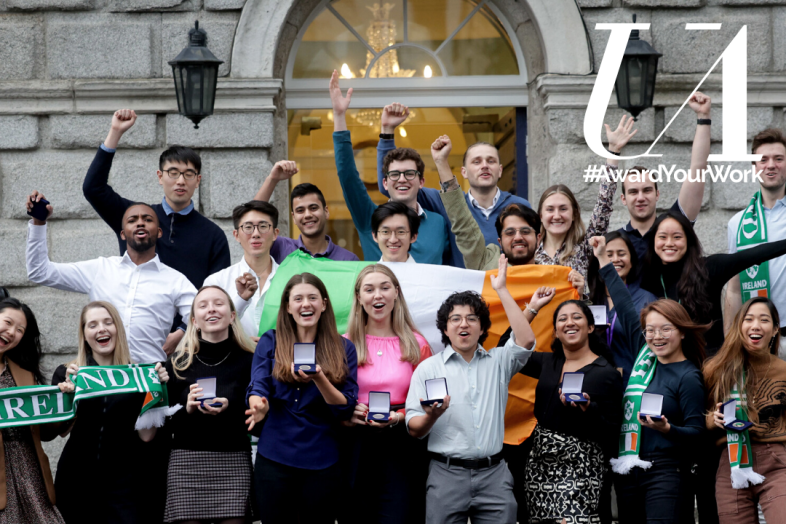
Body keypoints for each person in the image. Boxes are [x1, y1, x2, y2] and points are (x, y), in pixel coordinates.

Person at [405, 255, 537, 523]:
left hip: (494, 474)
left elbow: (525, 339)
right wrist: (432, 416)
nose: (463, 324)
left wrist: (501, 288)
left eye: (471, 318)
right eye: (455, 319)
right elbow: (412, 428)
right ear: (444, 328)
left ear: (482, 328)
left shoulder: (499, 361)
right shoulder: (428, 369)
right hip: (446, 474)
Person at [592, 236, 707, 524]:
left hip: (667, 471)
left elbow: (697, 434)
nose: (656, 337)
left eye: (665, 329)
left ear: (681, 331)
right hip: (629, 468)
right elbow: (623, 300)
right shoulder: (644, 354)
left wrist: (669, 429)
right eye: (650, 331)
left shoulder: (689, 375)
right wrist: (603, 259)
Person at [25, 192, 196, 362]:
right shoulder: (101, 269)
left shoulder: (175, 280)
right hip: (103, 377)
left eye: (147, 219)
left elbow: (201, 316)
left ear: (159, 232)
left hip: (150, 377)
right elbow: (39, 271)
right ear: (123, 234)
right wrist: (39, 223)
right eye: (132, 220)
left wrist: (180, 334)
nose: (140, 223)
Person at [245, 273, 358, 524]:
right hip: (274, 460)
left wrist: (319, 377)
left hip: (322, 461)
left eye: (312, 298)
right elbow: (258, 385)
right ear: (288, 306)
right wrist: (258, 406)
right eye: (298, 298)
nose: (305, 304)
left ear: (324, 304)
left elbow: (346, 407)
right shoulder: (270, 341)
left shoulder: (344, 348)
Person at [82, 109, 230, 290]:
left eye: (189, 174)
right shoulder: (135, 218)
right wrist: (115, 132)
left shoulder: (213, 236)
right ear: (160, 177)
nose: (181, 181)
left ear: (198, 180)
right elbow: (93, 189)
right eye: (173, 173)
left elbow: (218, 294)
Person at [52, 301, 169, 524]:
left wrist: (158, 390)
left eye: (108, 322)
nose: (101, 329)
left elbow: (147, 436)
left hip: (125, 484)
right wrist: (70, 396)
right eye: (92, 325)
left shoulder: (139, 376)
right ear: (84, 334)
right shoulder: (67, 373)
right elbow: (62, 432)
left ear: (118, 330)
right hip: (76, 480)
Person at [329, 70, 455, 265]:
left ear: (421, 181)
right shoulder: (370, 218)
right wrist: (339, 116)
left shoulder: (438, 222)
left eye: (409, 174)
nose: (402, 179)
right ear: (385, 182)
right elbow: (348, 176)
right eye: (395, 174)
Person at [341, 264, 432, 523]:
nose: (377, 295)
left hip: (402, 446)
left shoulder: (418, 344)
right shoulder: (344, 344)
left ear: (396, 293)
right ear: (359, 297)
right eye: (369, 289)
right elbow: (330, 400)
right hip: (356, 446)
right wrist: (347, 415)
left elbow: (429, 403)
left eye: (384, 287)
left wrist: (399, 416)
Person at [521, 299, 623, 524]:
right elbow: (507, 350)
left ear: (590, 327)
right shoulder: (547, 362)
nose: (570, 322)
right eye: (562, 319)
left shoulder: (606, 373)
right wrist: (532, 309)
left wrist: (589, 409)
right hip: (539, 467)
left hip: (581, 468)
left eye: (577, 317)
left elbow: (615, 431)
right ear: (556, 331)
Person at [376, 102, 531, 251]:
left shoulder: (519, 206)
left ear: (500, 170)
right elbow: (396, 188)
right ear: (463, 172)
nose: (484, 165)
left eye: (491, 161)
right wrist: (387, 132)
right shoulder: (447, 205)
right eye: (476, 162)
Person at [164, 286, 256, 524]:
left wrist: (232, 408)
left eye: (218, 303)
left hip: (233, 460)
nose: (211, 309)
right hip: (186, 462)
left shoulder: (251, 360)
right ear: (194, 320)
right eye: (203, 305)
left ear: (232, 315)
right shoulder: (176, 363)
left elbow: (258, 421)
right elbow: (162, 421)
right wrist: (188, 408)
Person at [641, 209, 786, 357]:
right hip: (668, 364)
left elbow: (755, 254)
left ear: (688, 240)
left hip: (711, 367)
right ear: (653, 241)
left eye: (677, 237)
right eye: (662, 237)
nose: (669, 243)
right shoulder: (648, 277)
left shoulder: (709, 268)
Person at [704, 297, 786, 523]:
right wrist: (714, 419)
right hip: (731, 461)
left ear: (775, 328)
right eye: (748, 319)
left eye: (764, 320)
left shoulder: (783, 370)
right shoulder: (717, 369)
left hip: (775, 459)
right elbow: (699, 417)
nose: (756, 325)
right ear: (739, 326)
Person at [612, 93, 711, 262]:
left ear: (657, 194)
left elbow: (698, 169)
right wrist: (613, 150)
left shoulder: (674, 226)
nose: (641, 197)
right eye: (633, 192)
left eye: (647, 190)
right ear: (623, 198)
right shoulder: (616, 243)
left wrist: (703, 118)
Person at [0, 298, 62, 524]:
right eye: (7, 322)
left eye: (20, 330)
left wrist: (64, 401)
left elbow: (44, 432)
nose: (11, 332)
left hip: (29, 474)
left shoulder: (25, 375)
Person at [725, 128, 786, 351]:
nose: (771, 165)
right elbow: (734, 288)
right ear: (754, 167)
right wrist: (729, 345)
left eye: (778, 159)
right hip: (756, 342)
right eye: (763, 159)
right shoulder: (738, 224)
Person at [587, 231, 657, 385]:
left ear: (632, 261)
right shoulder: (588, 300)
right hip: (593, 383)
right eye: (608, 254)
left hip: (632, 383)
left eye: (621, 253)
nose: (615, 259)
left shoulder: (647, 300)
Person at [204, 200, 281, 341]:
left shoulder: (290, 278)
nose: (256, 234)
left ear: (275, 234)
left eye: (263, 226)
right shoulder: (217, 282)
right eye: (248, 227)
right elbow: (207, 329)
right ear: (236, 235)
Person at [254, 164, 359, 262]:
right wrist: (272, 179)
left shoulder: (348, 260)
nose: (308, 215)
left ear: (326, 212)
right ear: (293, 217)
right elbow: (252, 219)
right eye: (300, 210)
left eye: (313, 208)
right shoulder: (279, 248)